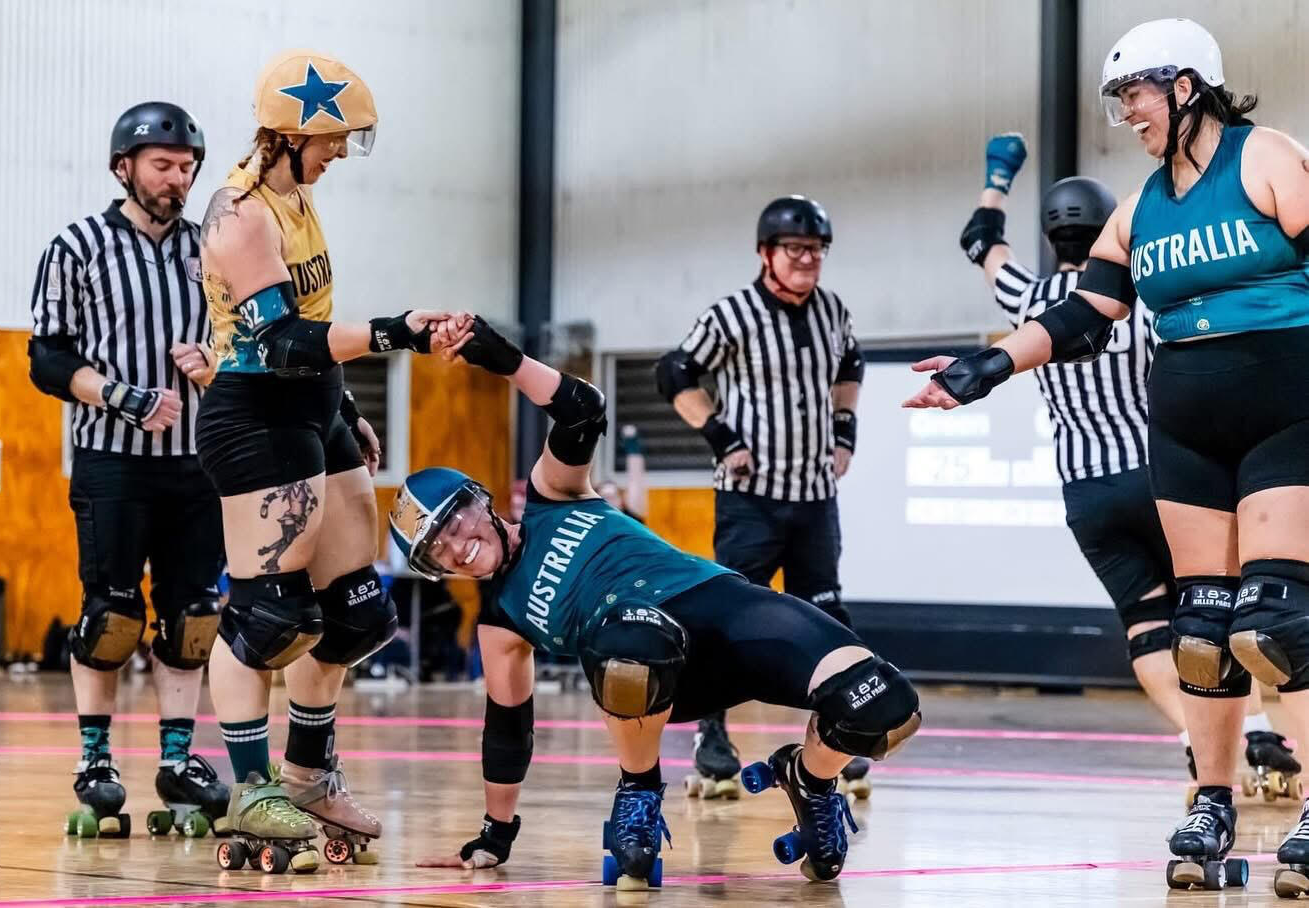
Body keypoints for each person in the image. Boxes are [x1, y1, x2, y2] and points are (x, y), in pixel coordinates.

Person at [907, 18, 1309, 893]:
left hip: (1287, 413)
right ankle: (1212, 800)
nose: (1126, 112)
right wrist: (984, 368)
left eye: (1135, 93)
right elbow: (1082, 315)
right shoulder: (1139, 211)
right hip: (1187, 434)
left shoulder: (1266, 158)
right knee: (1201, 634)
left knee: (1278, 625)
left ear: (1187, 86)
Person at [398, 316, 920, 888]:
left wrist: (507, 361)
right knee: (631, 636)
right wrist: (494, 837)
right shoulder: (500, 622)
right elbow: (507, 731)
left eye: (454, 521)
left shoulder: (552, 497)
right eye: (437, 550)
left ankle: (811, 780)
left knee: (887, 704)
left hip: (725, 612)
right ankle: (639, 790)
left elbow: (583, 410)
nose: (457, 545)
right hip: (653, 666)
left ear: (482, 500)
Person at [960, 134, 1298, 800]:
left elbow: (980, 240)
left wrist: (998, 177)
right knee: (1223, 614)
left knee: (1149, 628)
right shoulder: (1145, 295)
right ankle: (1253, 729)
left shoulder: (1027, 299)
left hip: (1088, 494)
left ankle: (1193, 737)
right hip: (1166, 474)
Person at [195, 49, 460, 874]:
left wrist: (345, 409)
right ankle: (250, 786)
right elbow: (279, 341)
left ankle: (308, 776)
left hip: (313, 405)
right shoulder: (239, 215)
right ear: (287, 134)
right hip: (254, 411)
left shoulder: (297, 196)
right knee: (273, 617)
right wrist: (398, 331)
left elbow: (315, 318)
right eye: (333, 138)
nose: (341, 152)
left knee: (355, 615)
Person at [28, 102, 230, 840]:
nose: (178, 180)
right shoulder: (77, 246)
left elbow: (247, 339)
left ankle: (176, 760)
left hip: (196, 464)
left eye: (186, 168)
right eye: (163, 166)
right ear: (124, 167)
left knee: (193, 616)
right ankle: (96, 761)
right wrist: (120, 395)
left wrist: (215, 364)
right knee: (112, 614)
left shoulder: (210, 250)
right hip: (113, 459)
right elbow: (46, 358)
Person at [656, 195, 869, 802]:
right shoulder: (733, 314)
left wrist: (845, 430)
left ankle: (838, 735)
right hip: (749, 499)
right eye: (796, 250)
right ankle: (712, 738)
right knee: (730, 620)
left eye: (817, 250)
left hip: (813, 496)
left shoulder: (832, 311)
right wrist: (720, 435)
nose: (808, 261)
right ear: (766, 254)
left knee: (828, 618)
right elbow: (674, 373)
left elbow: (851, 364)